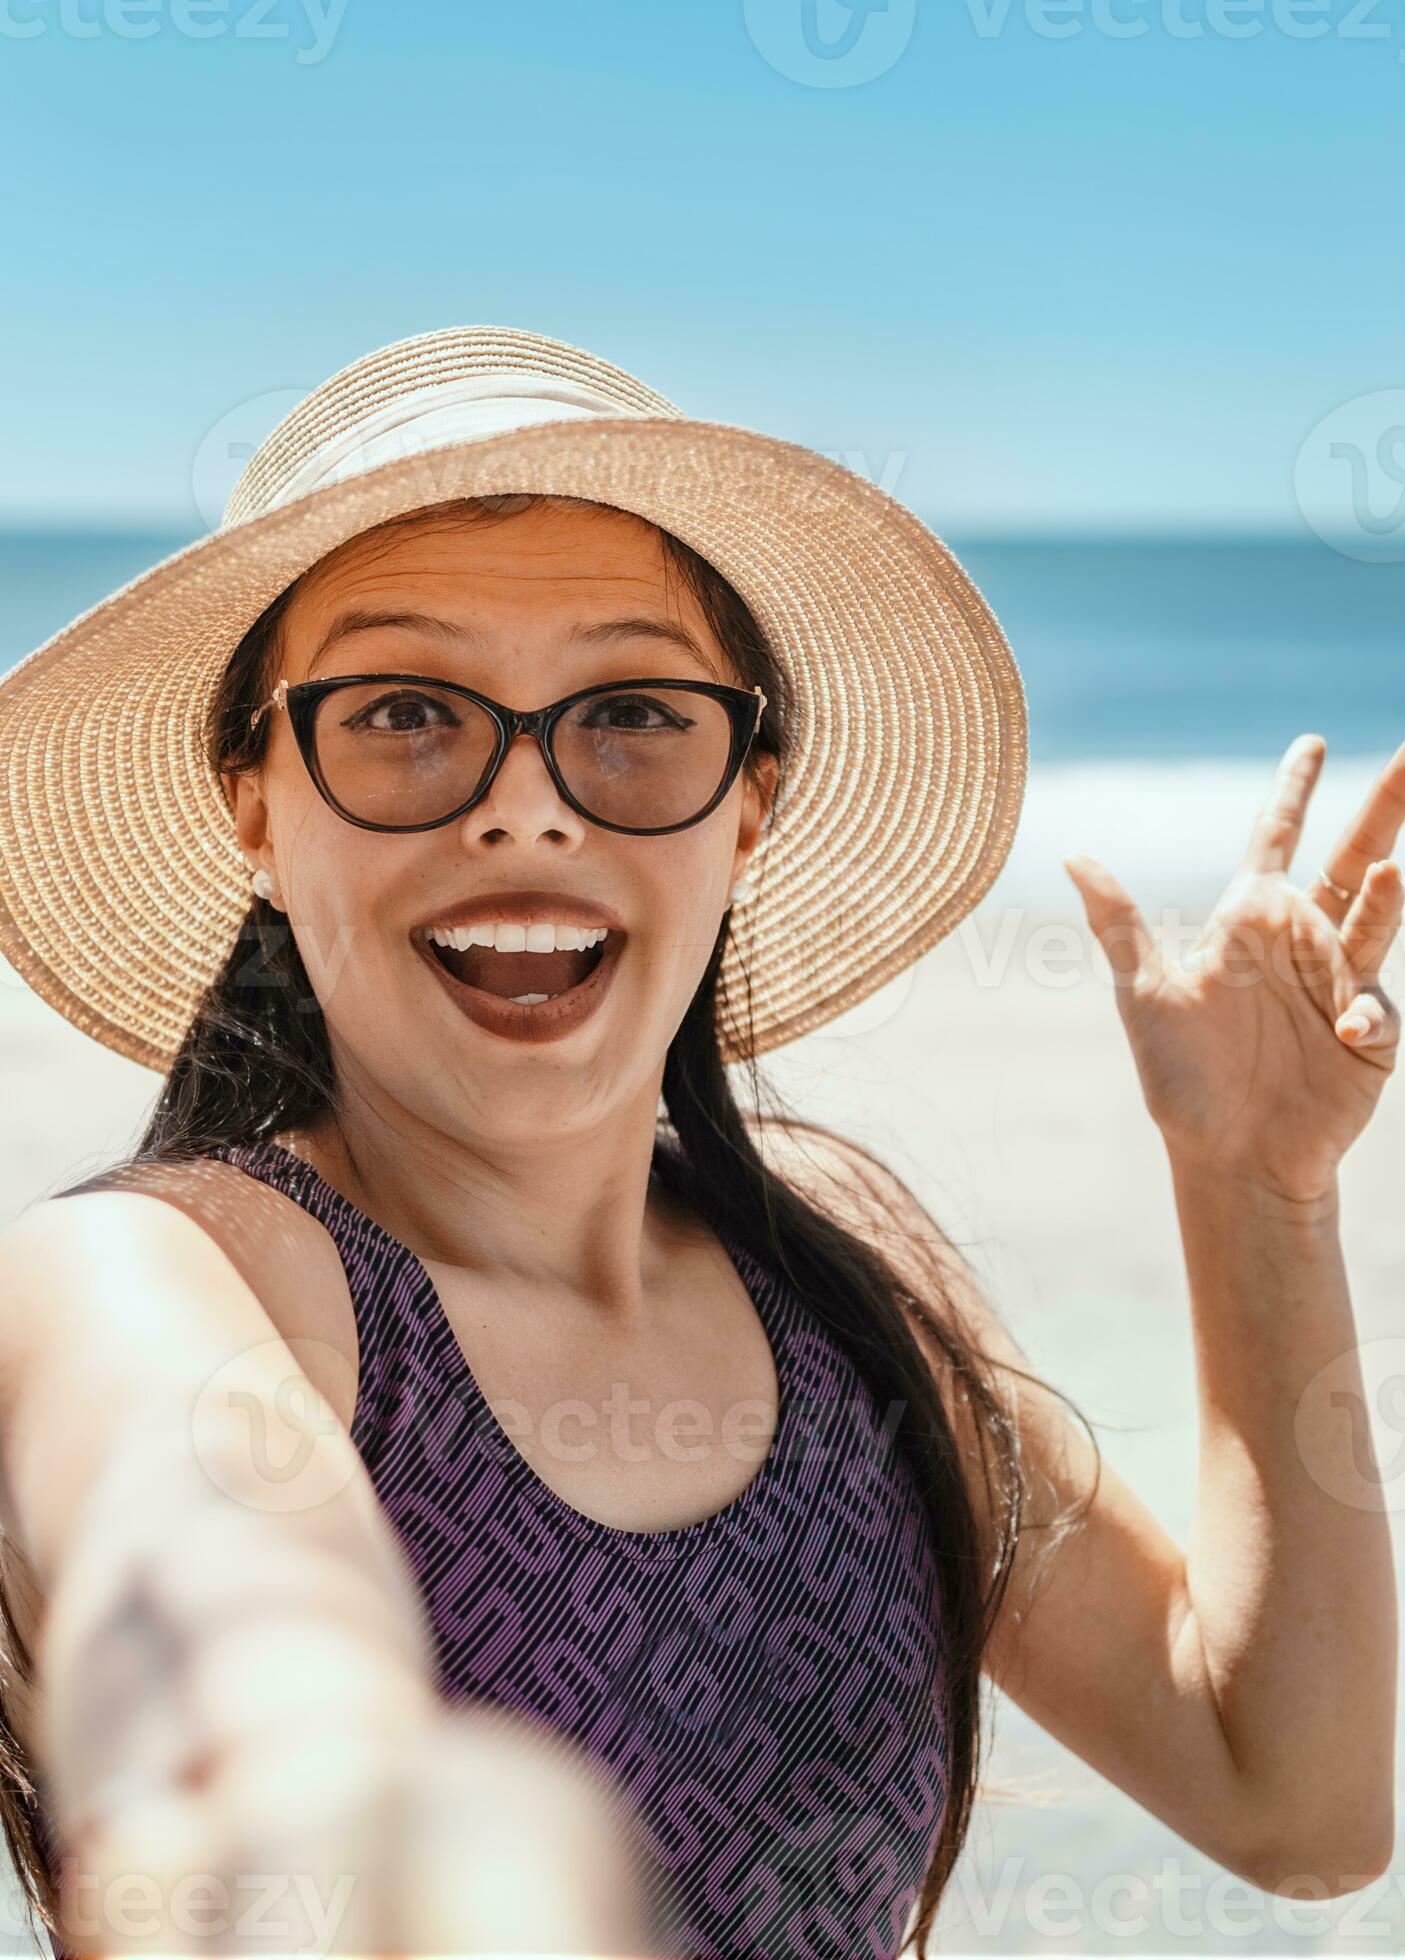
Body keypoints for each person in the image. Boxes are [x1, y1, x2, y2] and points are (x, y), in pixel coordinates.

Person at [0, 326, 1397, 1959]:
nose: (526, 807)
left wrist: (1253, 1193)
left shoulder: (842, 1290)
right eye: (401, 710)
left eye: (631, 713)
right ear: (255, 805)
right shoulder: (144, 1277)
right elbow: (232, 1656)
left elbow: (1293, 1805)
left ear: (747, 803)